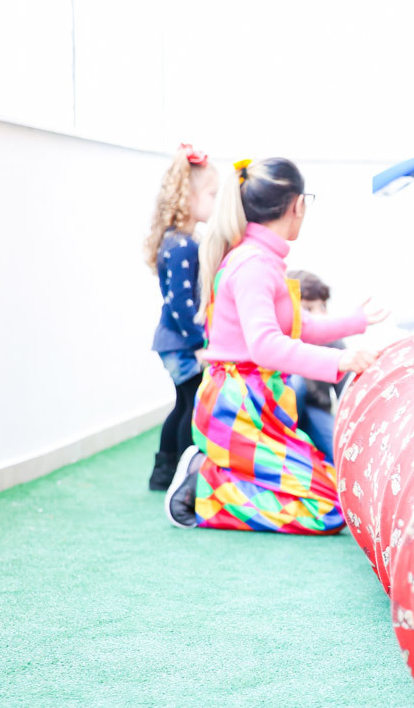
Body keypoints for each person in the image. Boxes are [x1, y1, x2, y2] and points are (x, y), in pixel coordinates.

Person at [165, 157, 386, 534]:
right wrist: (342, 359)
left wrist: (355, 321)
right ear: (297, 205)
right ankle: (203, 483)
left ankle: (218, 472)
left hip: (259, 403)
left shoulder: (260, 259)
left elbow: (298, 326)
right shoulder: (254, 265)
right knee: (329, 511)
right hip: (238, 409)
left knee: (336, 496)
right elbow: (266, 346)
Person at [146, 144, 220, 491]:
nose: (216, 202)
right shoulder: (182, 245)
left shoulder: (183, 241)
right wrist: (199, 343)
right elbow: (180, 305)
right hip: (181, 341)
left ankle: (164, 474)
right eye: (212, 194)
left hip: (176, 340)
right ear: (188, 197)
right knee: (192, 405)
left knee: (183, 403)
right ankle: (180, 475)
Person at [284, 268, 343, 461]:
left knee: (339, 449)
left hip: (317, 409)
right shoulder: (280, 338)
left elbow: (347, 388)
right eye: (308, 309)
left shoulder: (332, 340)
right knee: (297, 384)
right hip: (283, 412)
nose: (319, 315)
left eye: (323, 306)